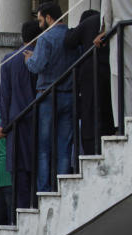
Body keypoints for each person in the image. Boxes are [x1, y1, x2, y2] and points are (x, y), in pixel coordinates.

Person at [26, 2, 78, 192]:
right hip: (69, 94)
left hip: (47, 94)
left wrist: (28, 60)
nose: (39, 24)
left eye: (40, 20)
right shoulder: (72, 35)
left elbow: (37, 65)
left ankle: (45, 188)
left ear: (49, 18)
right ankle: (62, 186)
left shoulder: (45, 38)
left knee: (44, 146)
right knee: (64, 144)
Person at [0, 19, 40, 211]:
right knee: (39, 167)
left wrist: (5, 123)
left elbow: (4, 95)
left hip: (15, 120)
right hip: (38, 119)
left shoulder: (9, 59)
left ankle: (21, 213)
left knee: (19, 171)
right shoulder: (38, 57)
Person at [66, 10, 115, 155]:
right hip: (110, 73)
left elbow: (69, 41)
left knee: (89, 113)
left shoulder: (88, 23)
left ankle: (91, 148)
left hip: (90, 78)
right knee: (108, 111)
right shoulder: (110, 22)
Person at [100, 0, 132, 127]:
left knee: (119, 79)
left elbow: (107, 14)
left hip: (121, 33)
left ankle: (122, 124)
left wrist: (105, 32)